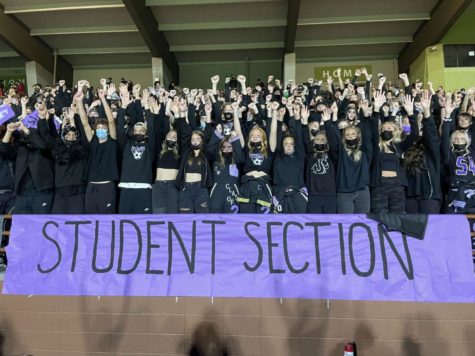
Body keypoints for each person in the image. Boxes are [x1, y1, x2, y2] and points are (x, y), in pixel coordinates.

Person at [369, 92, 419, 213]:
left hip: (397, 186)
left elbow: (414, 134)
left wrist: (411, 114)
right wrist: (376, 109)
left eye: (388, 128)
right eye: (383, 128)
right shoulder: (376, 145)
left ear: (395, 131)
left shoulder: (399, 146)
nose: (385, 130)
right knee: (380, 218)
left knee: (397, 218)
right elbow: (373, 130)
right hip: (379, 186)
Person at [77, 83, 119, 214]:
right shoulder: (93, 140)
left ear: (107, 131)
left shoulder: (112, 141)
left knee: (106, 220)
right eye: (98, 128)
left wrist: (103, 99)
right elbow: (84, 122)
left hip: (106, 186)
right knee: (91, 219)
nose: (101, 129)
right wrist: (79, 101)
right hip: (91, 186)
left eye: (103, 128)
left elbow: (111, 120)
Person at [116, 88, 159, 214]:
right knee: (124, 221)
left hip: (144, 187)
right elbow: (119, 129)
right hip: (125, 187)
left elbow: (151, 127)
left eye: (142, 130)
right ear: (132, 132)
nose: (139, 131)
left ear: (146, 134)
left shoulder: (149, 146)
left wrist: (146, 106)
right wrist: (123, 107)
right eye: (136, 130)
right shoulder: (127, 144)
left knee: (143, 222)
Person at [404, 90, 442, 213]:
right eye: (418, 125)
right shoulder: (406, 147)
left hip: (429, 196)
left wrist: (426, 112)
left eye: (422, 125)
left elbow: (430, 133)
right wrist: (410, 113)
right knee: (410, 230)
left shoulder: (432, 148)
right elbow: (413, 134)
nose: (420, 128)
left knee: (430, 230)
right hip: (410, 196)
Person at [175, 100, 213, 213]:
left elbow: (208, 133)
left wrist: (208, 114)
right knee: (186, 219)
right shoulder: (186, 152)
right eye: (193, 139)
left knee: (202, 219)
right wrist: (182, 113)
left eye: (198, 139)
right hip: (186, 188)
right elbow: (184, 133)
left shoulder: (206, 153)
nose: (195, 141)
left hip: (201, 189)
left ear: (202, 140)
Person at [206, 103, 244, 213]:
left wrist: (235, 139)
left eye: (229, 147)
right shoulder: (217, 158)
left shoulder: (237, 159)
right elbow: (209, 150)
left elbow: (240, 156)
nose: (226, 149)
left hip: (233, 191)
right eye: (224, 147)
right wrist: (216, 134)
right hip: (217, 192)